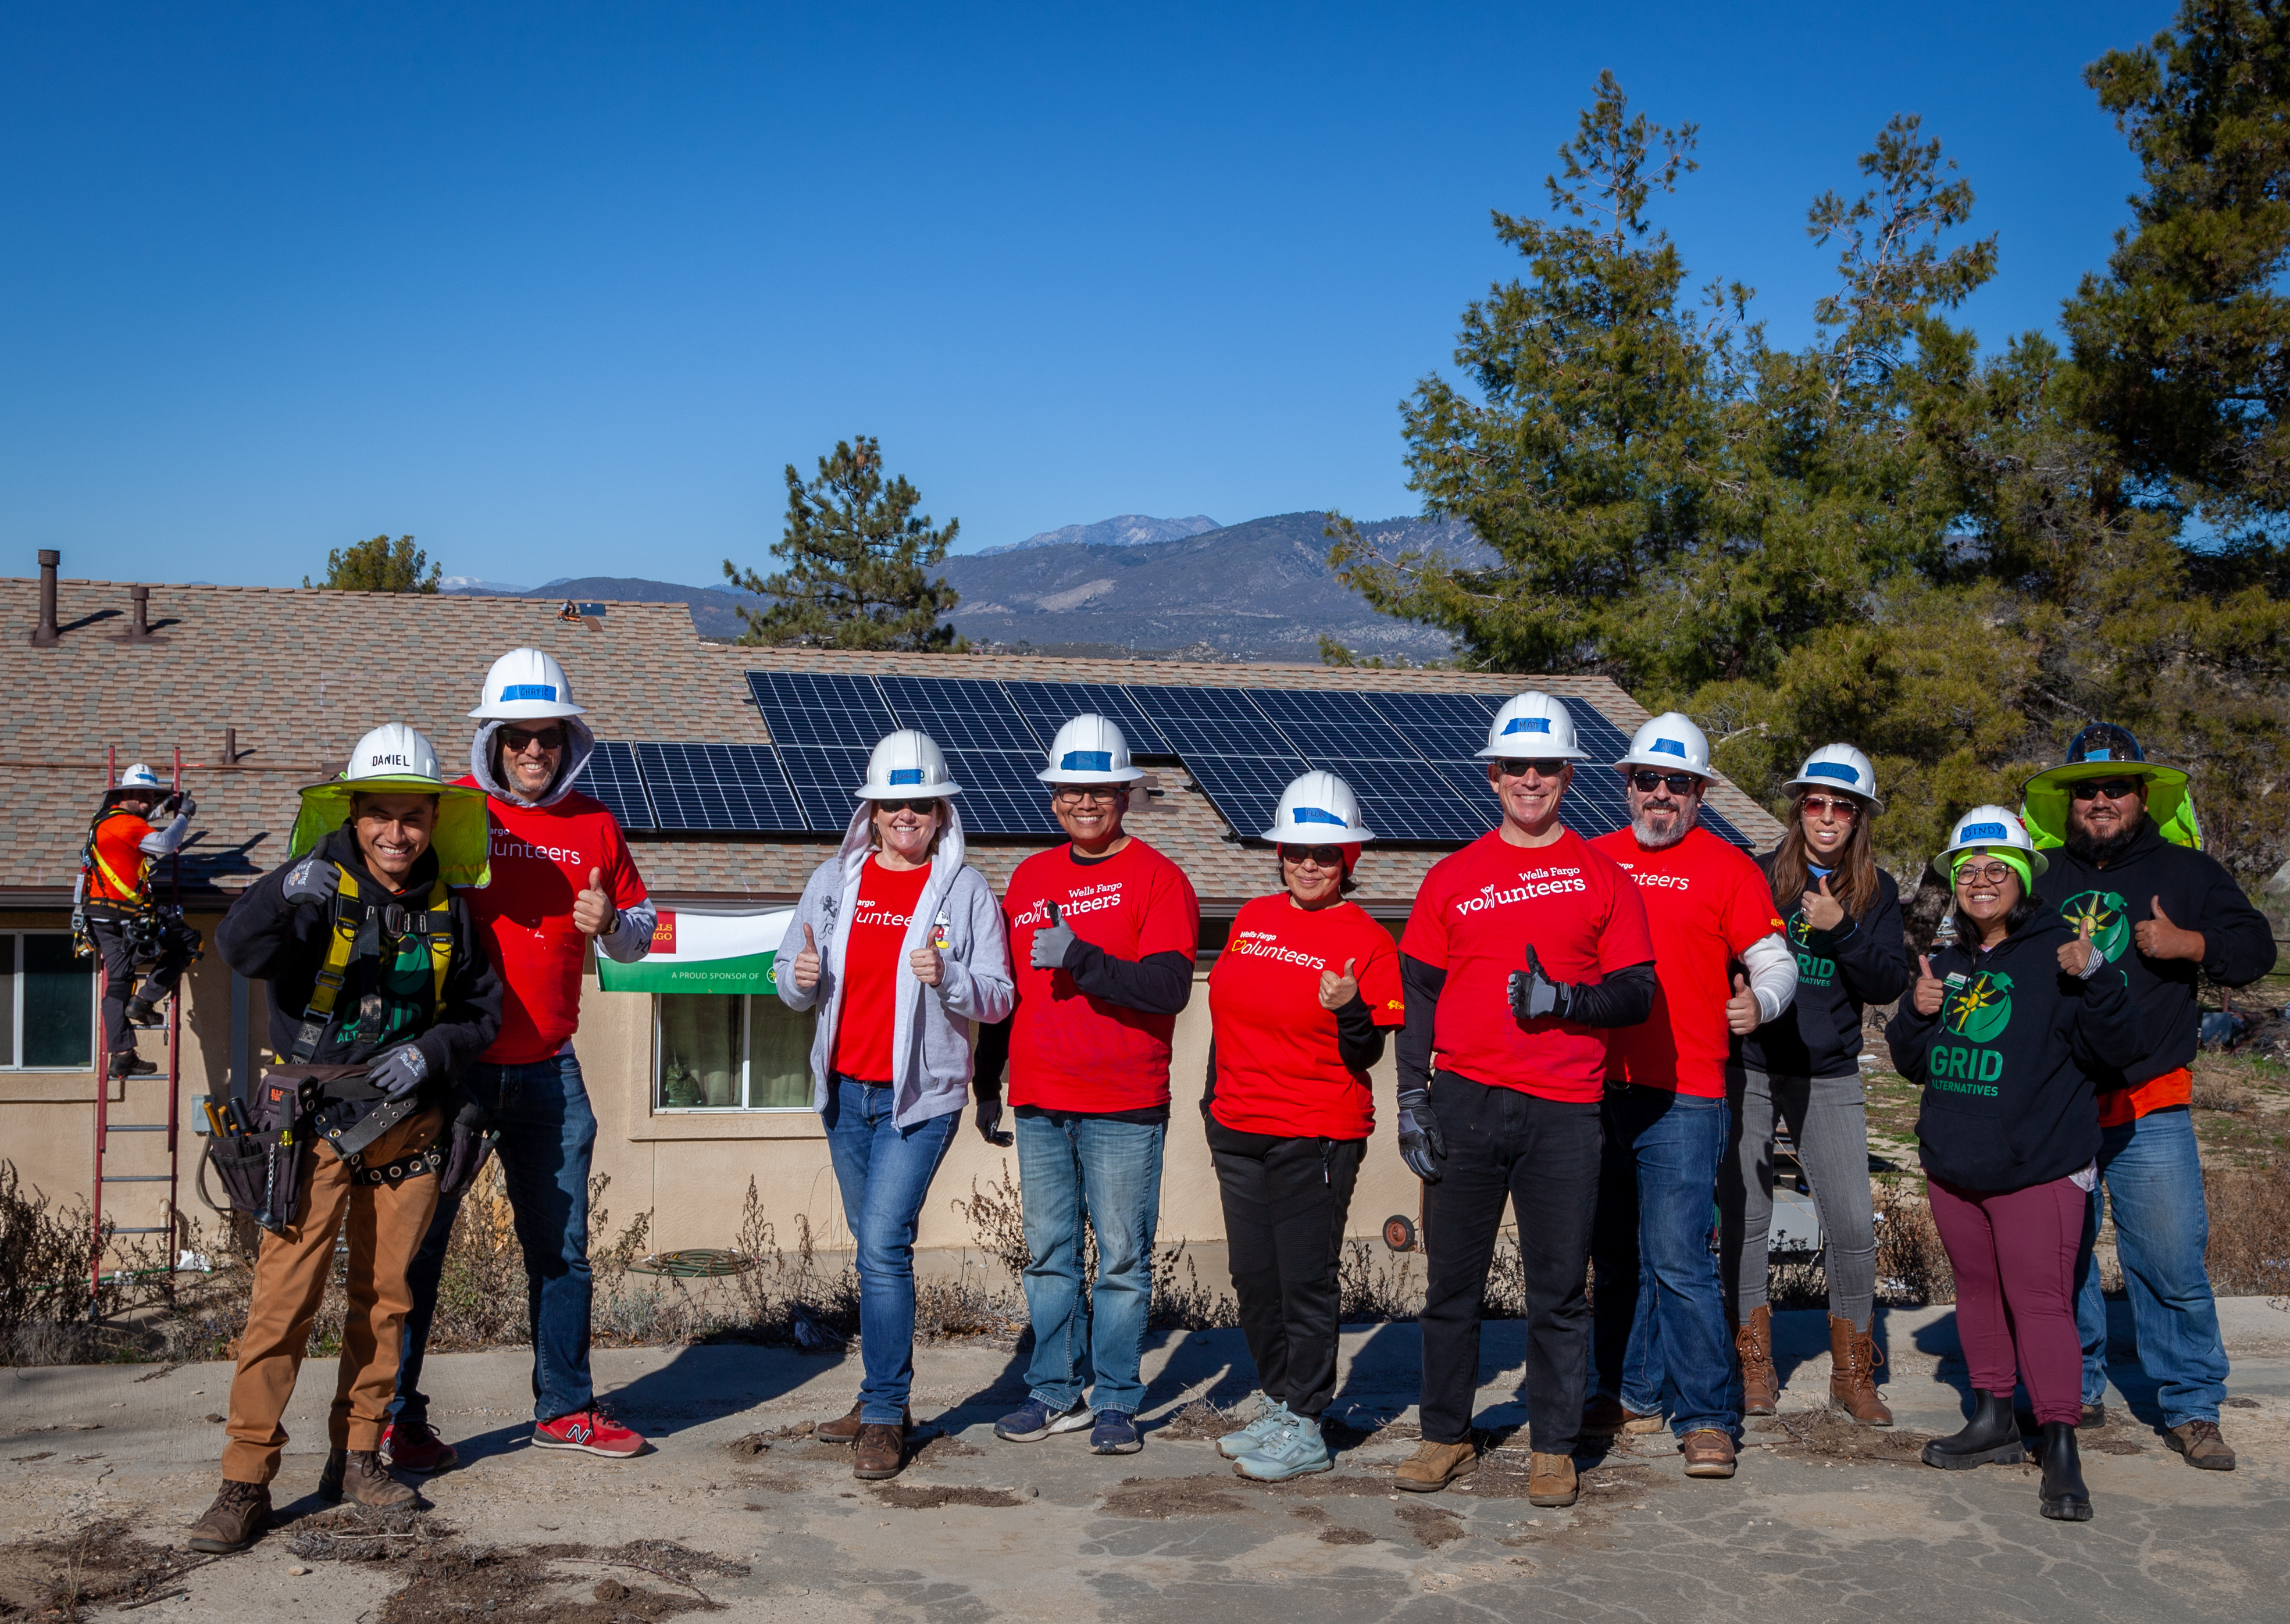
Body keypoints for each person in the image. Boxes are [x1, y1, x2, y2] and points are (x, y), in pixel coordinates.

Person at [188, 724, 503, 1554]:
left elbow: (482, 1014)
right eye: (380, 816)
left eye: (412, 818)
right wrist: (277, 891)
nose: (396, 834)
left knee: (386, 1298)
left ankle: (358, 1457)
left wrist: (429, 1052)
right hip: (313, 1128)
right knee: (281, 1304)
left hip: (410, 1124)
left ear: (434, 821)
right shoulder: (310, 891)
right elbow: (237, 949)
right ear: (354, 814)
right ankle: (244, 1481)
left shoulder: (452, 911)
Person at [389, 649, 658, 1472]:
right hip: (453, 1069)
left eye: (547, 737)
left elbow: (643, 935)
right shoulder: (454, 812)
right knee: (417, 1249)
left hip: (549, 1065)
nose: (532, 752)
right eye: (517, 737)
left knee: (563, 1251)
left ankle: (564, 1409)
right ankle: (394, 1418)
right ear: (492, 740)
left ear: (567, 739)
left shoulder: (596, 824)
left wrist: (610, 922)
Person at [1391, 691, 1656, 1507]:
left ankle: (1552, 1445)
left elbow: (1637, 994)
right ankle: (1444, 1435)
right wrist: (1411, 1098)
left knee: (1555, 1291)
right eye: (1515, 766)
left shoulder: (1601, 877)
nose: (1529, 780)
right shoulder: (1451, 876)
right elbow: (1419, 996)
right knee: (1451, 1289)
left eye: (1545, 766)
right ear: (1493, 775)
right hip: (1465, 1100)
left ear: (1568, 776)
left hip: (1564, 1110)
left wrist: (1563, 1003)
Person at [2023, 723, 2275, 1470]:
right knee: (2061, 1261)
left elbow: (2256, 950)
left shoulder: (2189, 873)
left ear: (2142, 797)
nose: (2100, 801)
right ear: (2067, 803)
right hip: (2058, 1101)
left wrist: (2189, 946)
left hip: (2150, 1102)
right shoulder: (2039, 877)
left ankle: (2192, 1406)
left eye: (2115, 788)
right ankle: (2077, 1388)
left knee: (2167, 1261)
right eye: (2085, 791)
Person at [1888, 805, 2143, 1523]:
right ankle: (1994, 1417)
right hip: (1954, 1166)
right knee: (1975, 1294)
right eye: (1967, 871)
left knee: (2039, 1303)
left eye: (1997, 868)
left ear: (2023, 877)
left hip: (2037, 1165)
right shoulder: (1943, 958)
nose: (1980, 881)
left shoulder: (2061, 950)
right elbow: (1912, 1062)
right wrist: (1915, 1008)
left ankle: (2059, 1442)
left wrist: (2095, 974)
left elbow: (2114, 1050)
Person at [777, 730, 1015, 1480]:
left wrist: (947, 978)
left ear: (940, 813)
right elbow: (786, 975)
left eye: (920, 804)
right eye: (891, 805)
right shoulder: (832, 881)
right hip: (844, 1093)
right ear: (871, 812)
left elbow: (1000, 996)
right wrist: (803, 979)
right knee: (872, 1245)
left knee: (883, 1244)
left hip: (921, 1099)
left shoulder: (965, 891)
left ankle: (883, 1413)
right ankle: (883, 1396)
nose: (905, 816)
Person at [979, 713, 1200, 1457]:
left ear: (1125, 797)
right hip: (1040, 1098)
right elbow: (1004, 993)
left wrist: (1083, 957)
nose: (1085, 804)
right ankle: (1051, 1392)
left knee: (1122, 1263)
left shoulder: (1159, 879)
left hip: (1123, 1104)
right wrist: (986, 1082)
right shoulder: (1030, 878)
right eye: (1072, 791)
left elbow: (1170, 986)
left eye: (1100, 791)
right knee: (1047, 1255)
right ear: (1053, 799)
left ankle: (1113, 1399)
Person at [1585, 713, 1796, 1482]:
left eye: (1679, 783)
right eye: (1649, 781)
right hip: (1595, 1091)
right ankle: (1627, 1390)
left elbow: (1774, 961)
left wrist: (1760, 1005)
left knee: (1678, 1260)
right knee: (1614, 1260)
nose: (1662, 795)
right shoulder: (1589, 860)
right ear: (1628, 787)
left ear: (1701, 793)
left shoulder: (1730, 869)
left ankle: (1707, 1415)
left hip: (1687, 1094)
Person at [1200, 772, 1404, 1482]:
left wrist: (1348, 1006)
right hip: (1238, 1128)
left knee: (1304, 1282)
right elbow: (1224, 1018)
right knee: (1253, 1279)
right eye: (1295, 850)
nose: (1308, 865)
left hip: (1314, 1133)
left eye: (1324, 853)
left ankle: (1308, 1421)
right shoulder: (1251, 918)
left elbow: (1367, 1051)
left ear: (1348, 858)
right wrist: (1210, 1109)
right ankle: (1279, 1400)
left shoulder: (1368, 940)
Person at [1724, 744, 1908, 1424]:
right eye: (1815, 802)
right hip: (1750, 1063)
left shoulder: (1877, 890)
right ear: (1798, 808)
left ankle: (1852, 1371)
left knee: (1852, 1223)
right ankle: (1752, 1363)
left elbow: (1887, 982)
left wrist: (1843, 932)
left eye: (1843, 806)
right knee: (1746, 1219)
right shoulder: (1756, 876)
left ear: (1859, 818)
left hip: (1827, 1069)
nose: (1827, 816)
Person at [74, 763, 201, 1079]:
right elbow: (163, 844)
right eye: (142, 797)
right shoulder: (127, 825)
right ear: (125, 795)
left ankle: (122, 1054)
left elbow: (137, 820)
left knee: (117, 984)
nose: (147, 803)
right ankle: (144, 1001)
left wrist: (163, 809)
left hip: (100, 914)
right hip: (128, 914)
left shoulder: (104, 820)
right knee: (188, 943)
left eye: (152, 797)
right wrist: (183, 816)